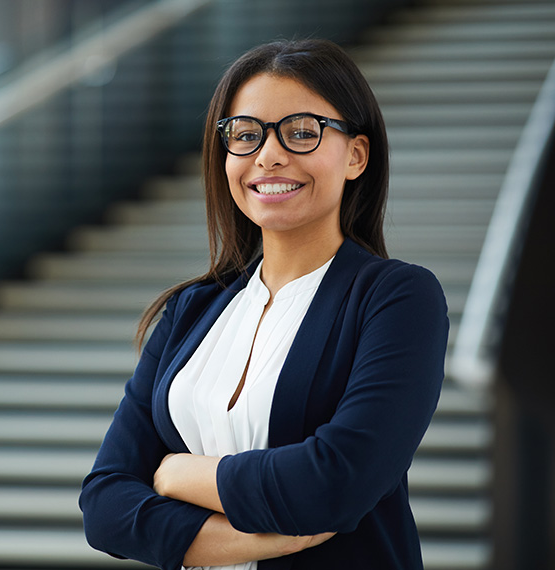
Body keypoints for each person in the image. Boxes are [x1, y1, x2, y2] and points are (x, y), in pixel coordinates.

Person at [79, 38, 448, 570]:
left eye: (301, 132)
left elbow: (333, 483)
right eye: (246, 135)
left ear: (356, 155)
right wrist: (264, 539)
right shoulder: (191, 310)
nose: (268, 155)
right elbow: (104, 505)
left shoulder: (397, 299)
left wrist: (178, 475)